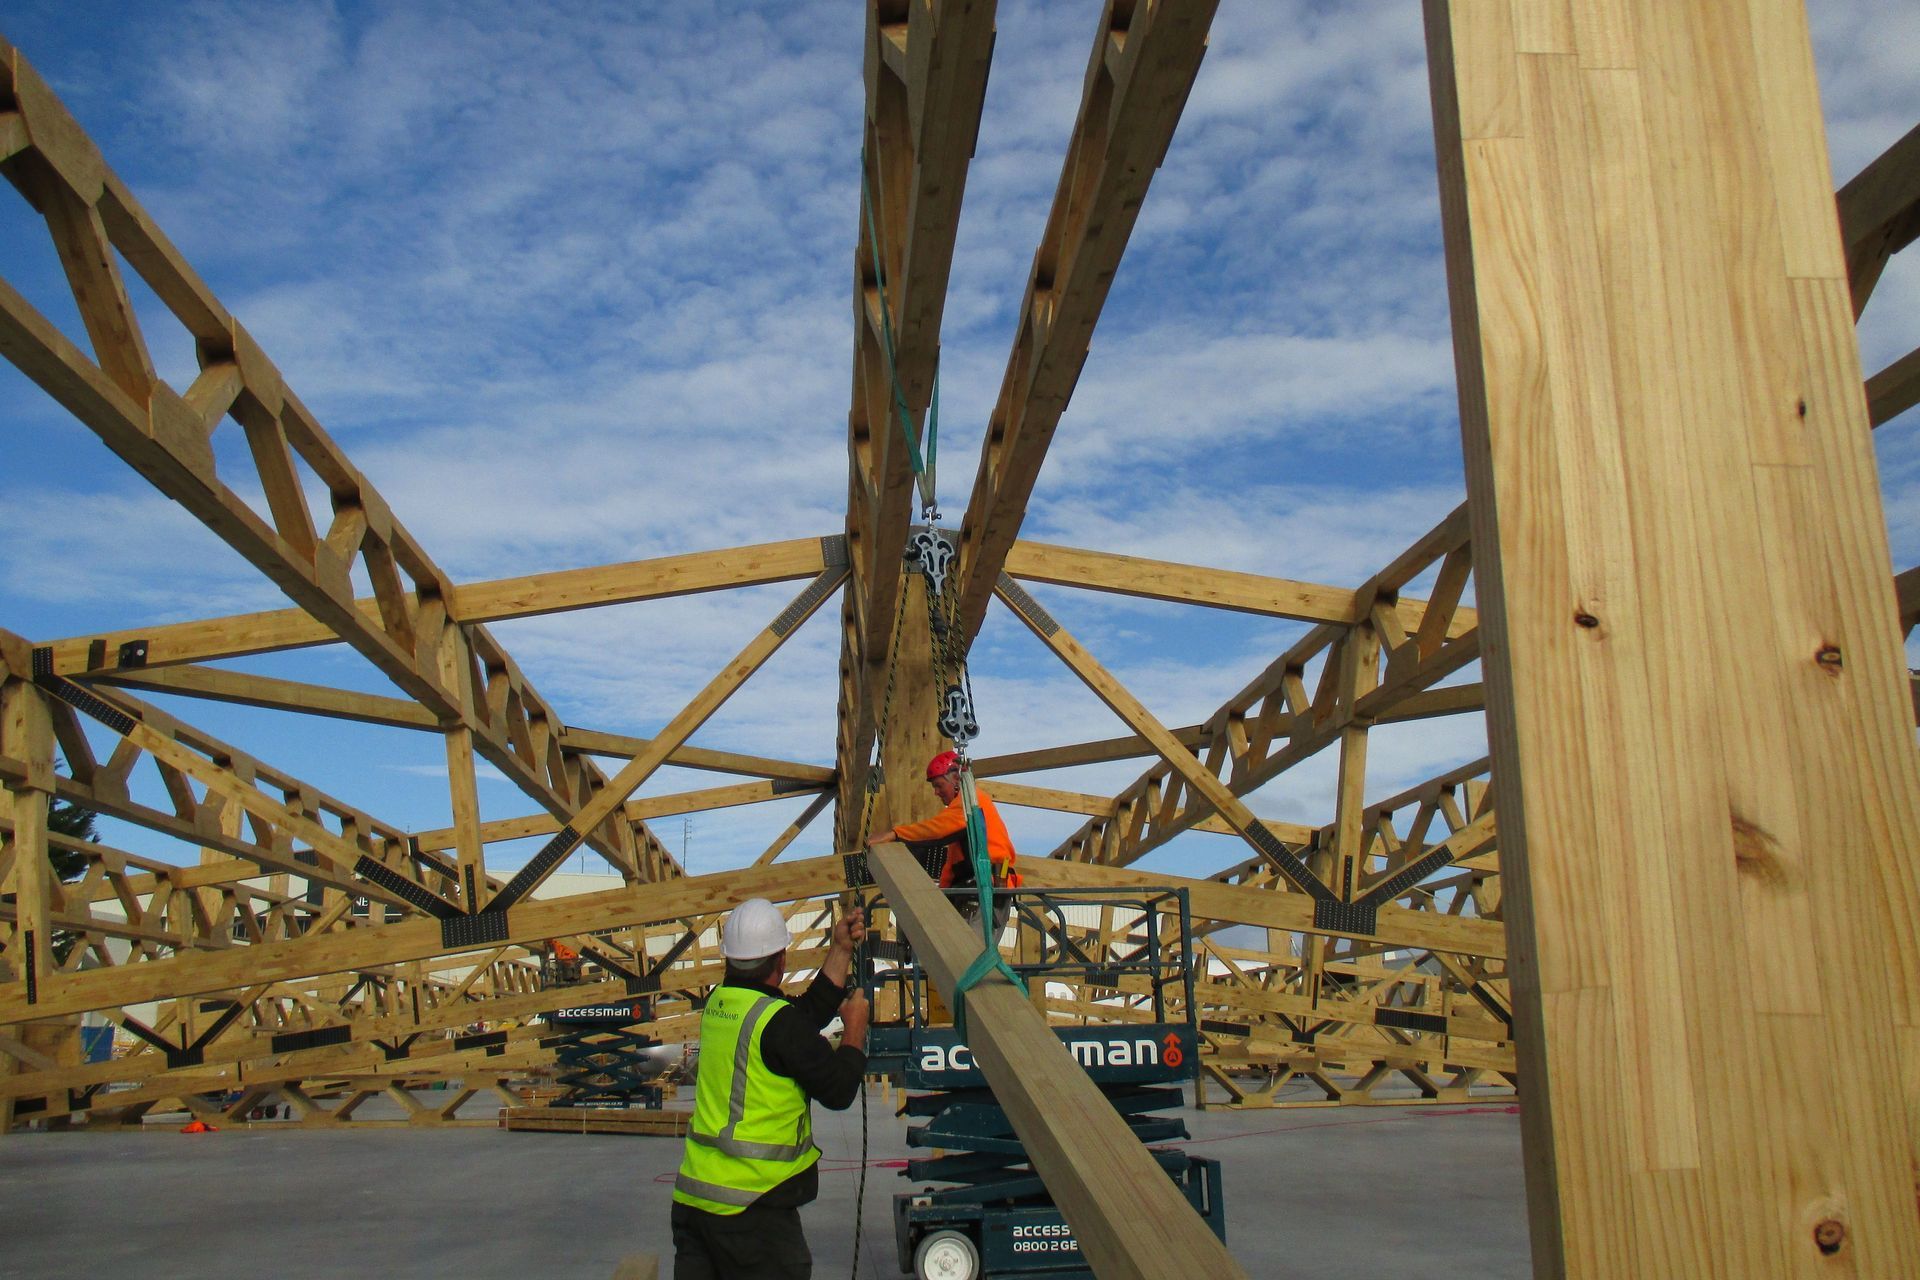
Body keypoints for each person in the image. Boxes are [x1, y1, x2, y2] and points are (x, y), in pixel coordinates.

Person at [671, 897, 869, 1279]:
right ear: (781, 960)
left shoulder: (719, 1005)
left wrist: (840, 951)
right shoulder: (777, 1023)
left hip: (695, 1205)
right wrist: (855, 1029)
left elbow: (802, 1016)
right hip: (753, 1212)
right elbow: (839, 1090)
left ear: (729, 959)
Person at [866, 749, 1022, 899]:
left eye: (938, 785)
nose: (936, 792)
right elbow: (952, 865)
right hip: (980, 887)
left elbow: (935, 831)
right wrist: (943, 893)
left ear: (956, 779)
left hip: (988, 889)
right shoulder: (962, 818)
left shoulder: (971, 803)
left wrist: (895, 834)